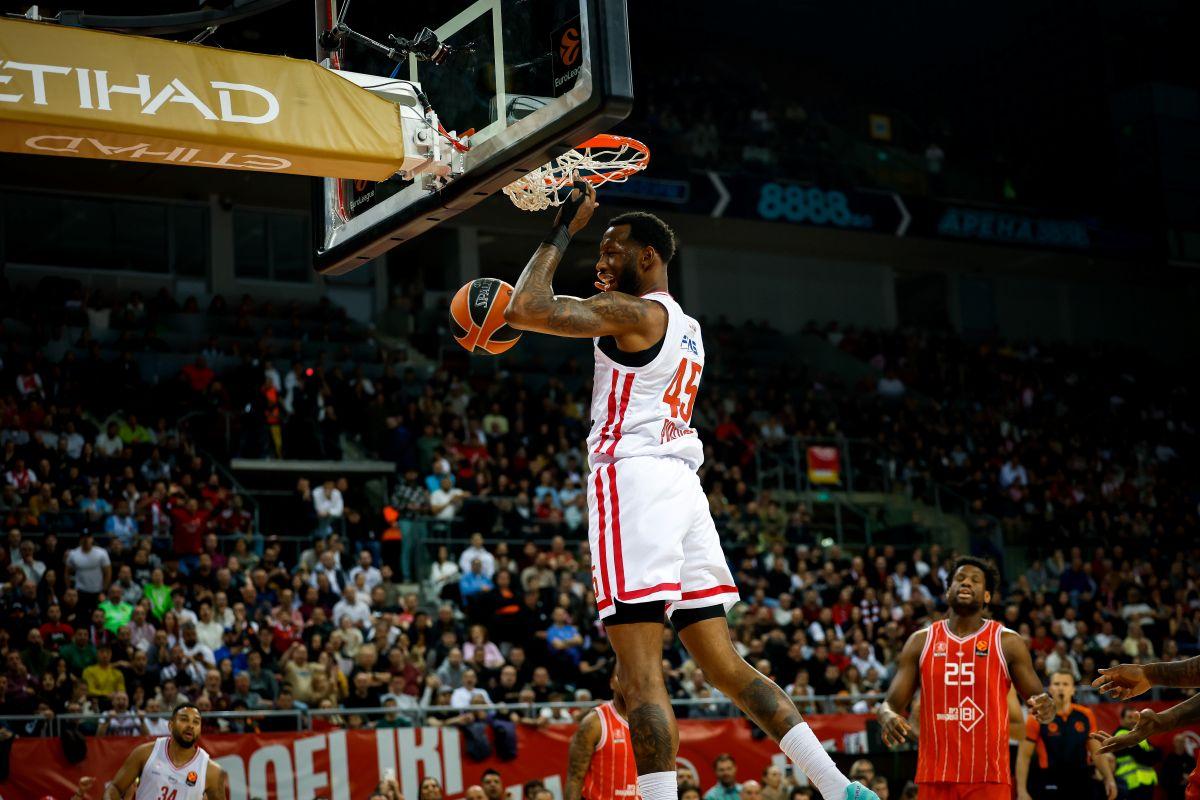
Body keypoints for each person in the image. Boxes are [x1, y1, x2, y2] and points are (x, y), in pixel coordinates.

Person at [504, 189, 877, 800]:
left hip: (634, 482)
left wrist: (561, 230)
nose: (601, 259)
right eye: (598, 248)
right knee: (726, 667)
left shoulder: (636, 313)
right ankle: (840, 789)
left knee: (640, 675)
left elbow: (527, 309)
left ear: (648, 257)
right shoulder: (689, 327)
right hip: (682, 489)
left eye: (612, 248)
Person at [876, 556, 1055, 800]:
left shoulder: (1007, 642)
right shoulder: (921, 641)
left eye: (975, 580)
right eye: (959, 579)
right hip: (934, 776)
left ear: (987, 596)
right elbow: (890, 704)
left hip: (988, 777)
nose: (966, 583)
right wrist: (887, 715)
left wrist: (1047, 706)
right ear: (948, 589)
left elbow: (1039, 699)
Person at [1090, 656, 1200, 800]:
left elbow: (1153, 756)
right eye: (1128, 718)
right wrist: (1149, 674)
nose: (1132, 720)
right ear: (1121, 720)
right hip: (1131, 786)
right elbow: (1148, 756)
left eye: (1132, 717)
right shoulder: (1122, 732)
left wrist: (1149, 674)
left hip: (1144, 784)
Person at [1015, 670, 1116, 800]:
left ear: (1073, 690)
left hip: (1081, 780)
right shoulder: (1037, 717)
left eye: (1065, 684)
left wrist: (1109, 779)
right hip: (1050, 780)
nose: (1061, 687)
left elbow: (1096, 751)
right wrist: (1021, 790)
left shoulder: (1085, 715)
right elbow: (1023, 757)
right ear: (1050, 689)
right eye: (1057, 684)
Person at [104, 702, 226, 799]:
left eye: (196, 722)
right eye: (184, 719)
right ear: (171, 725)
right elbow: (114, 788)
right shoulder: (145, 753)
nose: (190, 725)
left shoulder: (212, 771)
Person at [565, 674, 637, 800]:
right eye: (621, 674)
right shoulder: (594, 722)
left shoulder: (654, 722)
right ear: (611, 683)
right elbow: (575, 778)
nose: (628, 679)